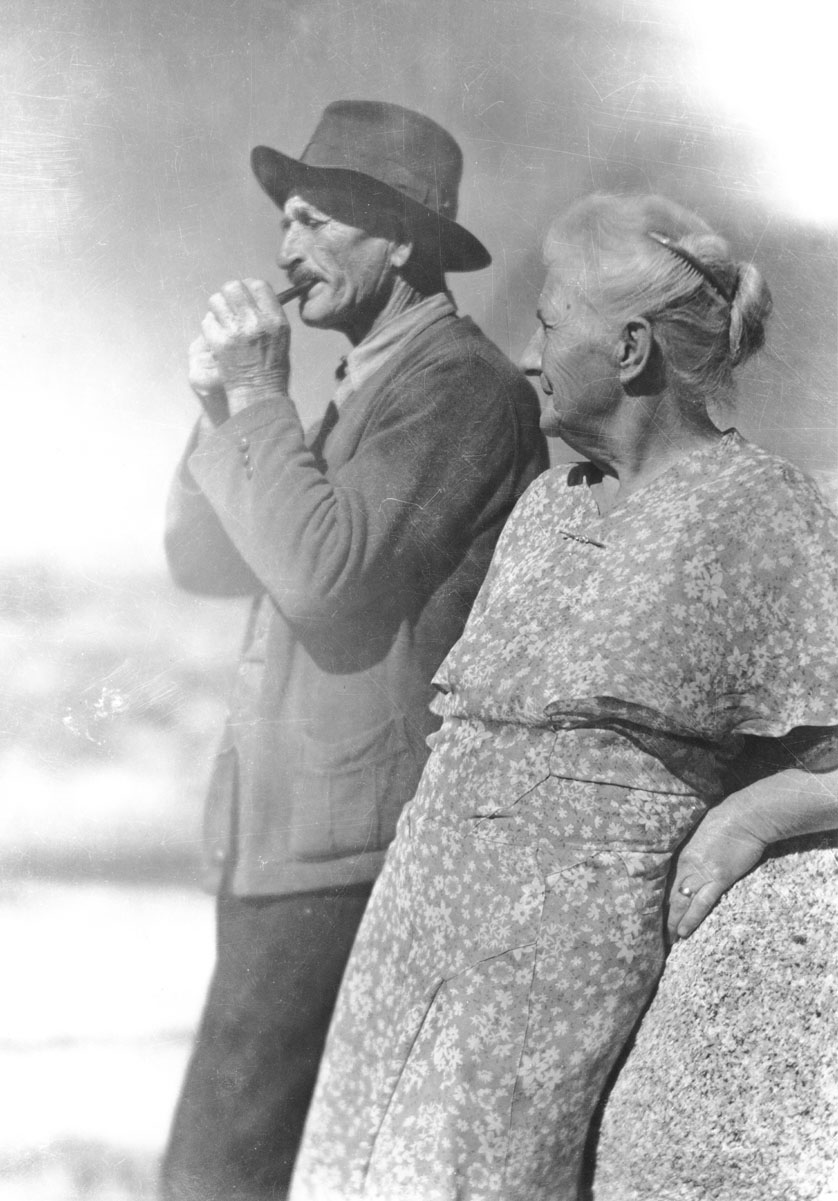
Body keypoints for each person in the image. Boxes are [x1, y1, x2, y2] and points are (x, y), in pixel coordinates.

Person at [289, 192, 838, 1201]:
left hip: (548, 957)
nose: (528, 355)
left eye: (546, 323)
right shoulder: (549, 504)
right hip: (409, 923)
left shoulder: (758, 506)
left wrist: (751, 816)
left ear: (630, 351)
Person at [160, 100, 547, 1201]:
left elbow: (327, 583)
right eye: (286, 221)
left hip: (351, 847)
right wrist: (214, 407)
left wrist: (252, 396)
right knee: (235, 1161)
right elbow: (203, 561)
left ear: (406, 239)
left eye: (319, 219)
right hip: (285, 836)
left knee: (217, 1170)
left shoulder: (461, 387)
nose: (287, 249)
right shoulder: (353, 387)